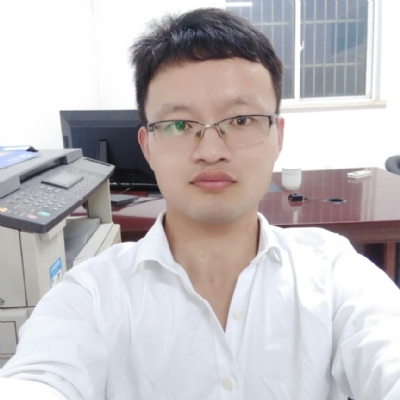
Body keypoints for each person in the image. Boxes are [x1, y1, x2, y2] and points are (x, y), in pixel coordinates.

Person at [1, 7, 400, 400]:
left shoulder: (332, 273)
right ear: (147, 146)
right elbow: (40, 378)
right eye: (179, 124)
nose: (210, 151)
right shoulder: (89, 297)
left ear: (278, 136)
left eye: (240, 120)